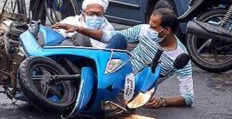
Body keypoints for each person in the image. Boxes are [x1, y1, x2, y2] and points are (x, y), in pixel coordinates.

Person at [53, 8, 194, 108]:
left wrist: (162, 101)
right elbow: (109, 36)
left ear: (166, 30)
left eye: (153, 27)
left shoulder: (180, 56)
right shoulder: (143, 30)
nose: (148, 29)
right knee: (119, 38)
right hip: (117, 69)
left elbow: (188, 98)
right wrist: (78, 28)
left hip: (134, 90)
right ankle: (78, 70)